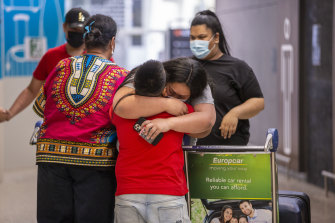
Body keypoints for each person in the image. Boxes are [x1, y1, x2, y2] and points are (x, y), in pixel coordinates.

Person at [33, 14, 127, 223]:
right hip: (96, 162)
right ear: (112, 42)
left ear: (85, 40)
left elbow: (40, 107)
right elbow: (124, 116)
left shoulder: (61, 66)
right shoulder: (121, 76)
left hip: (51, 157)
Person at [111, 58, 209, 223]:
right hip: (168, 193)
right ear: (164, 85)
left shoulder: (120, 113)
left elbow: (118, 106)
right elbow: (205, 126)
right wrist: (170, 119)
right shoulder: (181, 111)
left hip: (127, 193)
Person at [0, 7, 90, 122]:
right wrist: (9, 114)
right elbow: (32, 90)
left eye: (81, 31)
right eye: (74, 29)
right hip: (56, 125)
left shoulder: (99, 58)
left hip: (87, 126)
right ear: (64, 27)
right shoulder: (51, 56)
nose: (77, 33)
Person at [190, 10, 265, 145]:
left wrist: (235, 113)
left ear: (216, 38)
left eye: (201, 37)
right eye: (192, 38)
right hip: (191, 149)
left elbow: (258, 102)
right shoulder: (187, 67)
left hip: (229, 151)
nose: (196, 42)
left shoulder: (237, 67)